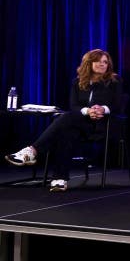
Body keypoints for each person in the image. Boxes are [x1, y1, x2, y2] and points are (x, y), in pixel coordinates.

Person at [4, 49, 123, 192]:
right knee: (67, 131)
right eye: (98, 61)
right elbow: (74, 105)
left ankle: (32, 151)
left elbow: (118, 105)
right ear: (88, 63)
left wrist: (103, 109)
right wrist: (88, 111)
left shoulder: (114, 81)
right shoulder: (77, 82)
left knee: (66, 119)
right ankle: (59, 179)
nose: (102, 64)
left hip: (103, 125)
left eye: (105, 62)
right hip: (80, 124)